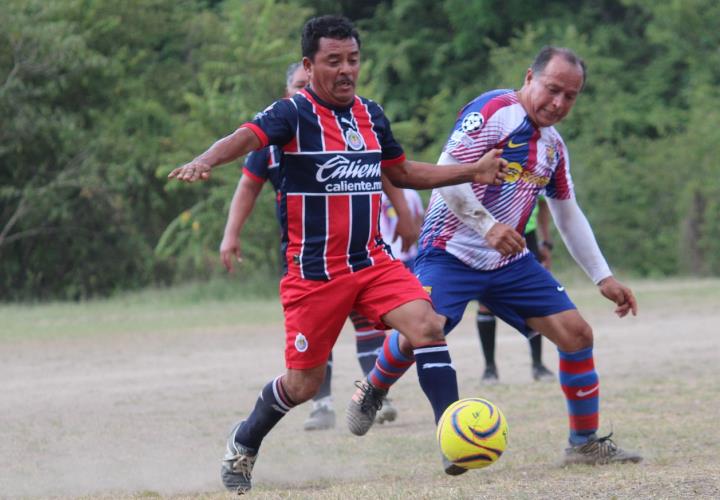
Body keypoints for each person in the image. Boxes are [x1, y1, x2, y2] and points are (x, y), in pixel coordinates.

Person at [168, 15, 508, 493]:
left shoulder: (372, 115)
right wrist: (206, 158)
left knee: (429, 326)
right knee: (303, 386)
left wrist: (471, 170)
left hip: (371, 262)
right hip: (313, 276)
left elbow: (403, 172)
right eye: (334, 61)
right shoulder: (292, 113)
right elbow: (245, 137)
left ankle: (450, 435)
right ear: (309, 66)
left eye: (353, 59)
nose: (346, 70)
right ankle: (243, 441)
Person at [356, 46, 643, 466]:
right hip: (449, 250)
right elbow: (447, 176)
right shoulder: (492, 112)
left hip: (509, 262)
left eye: (570, 96)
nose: (559, 103)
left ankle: (583, 444)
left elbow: (566, 211)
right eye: (552, 89)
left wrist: (604, 277)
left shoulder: (553, 147)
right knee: (426, 327)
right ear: (530, 77)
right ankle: (374, 387)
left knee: (577, 334)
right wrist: (486, 225)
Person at [219, 62, 404, 432]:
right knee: (320, 335)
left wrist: (405, 214)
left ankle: (374, 395)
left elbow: (386, 170)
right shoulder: (272, 141)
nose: (307, 90)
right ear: (287, 93)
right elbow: (248, 186)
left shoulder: (350, 126)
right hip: (307, 255)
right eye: (299, 85)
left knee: (372, 323)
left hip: (358, 252)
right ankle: (322, 402)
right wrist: (231, 233)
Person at [477, 196, 556, 384]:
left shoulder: (536, 170)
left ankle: (538, 365)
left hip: (527, 236)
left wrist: (546, 240)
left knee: (532, 302)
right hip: (492, 236)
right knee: (486, 303)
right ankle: (489, 369)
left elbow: (544, 203)